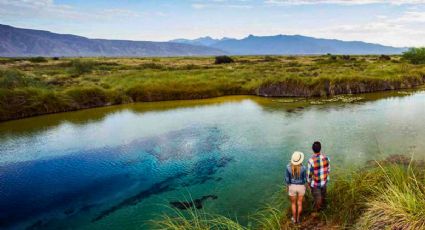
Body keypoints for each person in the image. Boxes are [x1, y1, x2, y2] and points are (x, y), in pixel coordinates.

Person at [307, 141, 330, 213]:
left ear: (312, 149)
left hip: (316, 184)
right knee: (323, 197)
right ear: (320, 148)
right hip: (324, 182)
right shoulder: (326, 158)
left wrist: (309, 184)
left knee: (317, 200)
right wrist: (326, 179)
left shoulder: (311, 161)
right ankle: (324, 210)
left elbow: (309, 175)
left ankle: (318, 213)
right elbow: (328, 170)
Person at [285, 151, 307, 224]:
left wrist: (287, 188)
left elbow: (287, 180)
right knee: (299, 203)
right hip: (301, 187)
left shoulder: (288, 167)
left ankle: (294, 220)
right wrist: (305, 186)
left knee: (293, 204)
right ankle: (298, 219)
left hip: (292, 187)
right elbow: (304, 180)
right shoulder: (303, 168)